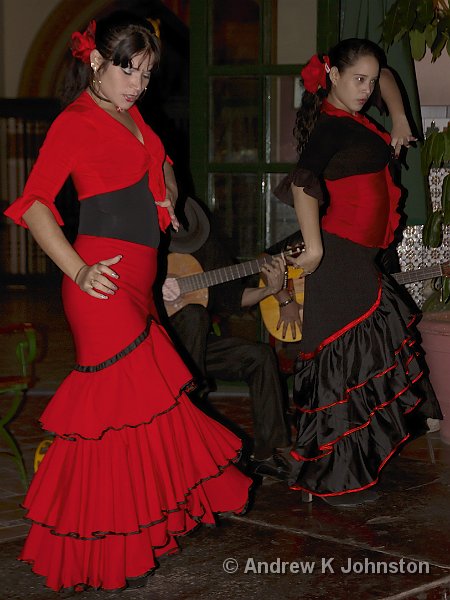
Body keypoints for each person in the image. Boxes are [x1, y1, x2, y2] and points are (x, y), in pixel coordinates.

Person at [3, 12, 251, 592]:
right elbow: (36, 203)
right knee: (114, 410)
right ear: (95, 61)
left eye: (145, 70)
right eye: (126, 69)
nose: (137, 81)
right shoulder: (76, 121)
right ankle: (103, 549)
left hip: (140, 281)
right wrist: (80, 268)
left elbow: (162, 190)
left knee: (130, 415)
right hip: (101, 282)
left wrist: (165, 186)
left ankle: (121, 537)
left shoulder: (135, 116)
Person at [275, 39, 442, 507]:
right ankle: (334, 479)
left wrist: (401, 117)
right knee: (344, 370)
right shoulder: (331, 127)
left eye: (369, 80)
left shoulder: (354, 115)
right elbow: (304, 183)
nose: (368, 88)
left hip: (356, 260)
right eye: (358, 80)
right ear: (331, 76)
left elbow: (387, 74)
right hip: (340, 261)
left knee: (361, 364)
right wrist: (312, 247)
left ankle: (347, 469)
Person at [160, 197, 301, 481]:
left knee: (259, 356)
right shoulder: (147, 248)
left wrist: (270, 289)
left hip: (193, 352)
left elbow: (234, 298)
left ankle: (269, 451)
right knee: (194, 315)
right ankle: (190, 420)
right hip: (155, 348)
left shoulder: (207, 253)